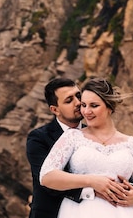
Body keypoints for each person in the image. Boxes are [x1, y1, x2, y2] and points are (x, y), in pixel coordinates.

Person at [39, 78, 133, 218]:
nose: (86, 111)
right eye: (84, 105)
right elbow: (46, 176)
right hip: (79, 212)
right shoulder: (72, 137)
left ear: (109, 107)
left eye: (94, 105)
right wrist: (92, 181)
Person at [26, 78, 97, 218]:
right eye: (69, 100)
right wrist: (93, 191)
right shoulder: (38, 138)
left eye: (78, 95)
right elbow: (46, 182)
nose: (78, 103)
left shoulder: (95, 134)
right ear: (55, 110)